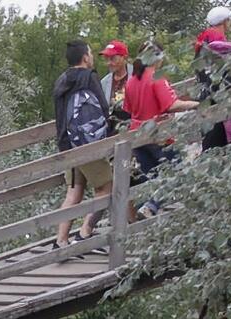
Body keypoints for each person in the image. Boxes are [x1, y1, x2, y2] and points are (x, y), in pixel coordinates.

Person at [123, 41, 200, 216]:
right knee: (176, 173)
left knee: (150, 177)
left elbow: (128, 109)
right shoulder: (157, 77)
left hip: (137, 135)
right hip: (158, 135)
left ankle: (144, 214)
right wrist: (197, 104)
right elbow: (171, 105)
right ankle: (150, 207)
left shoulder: (131, 81)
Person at [52, 40, 113, 250]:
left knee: (75, 191)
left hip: (67, 144)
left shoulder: (61, 80)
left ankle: (60, 240)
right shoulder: (89, 77)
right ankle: (85, 232)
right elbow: (103, 109)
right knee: (106, 187)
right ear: (85, 57)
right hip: (88, 143)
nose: (92, 57)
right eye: (90, 53)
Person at [195, 6, 231, 150]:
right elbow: (227, 71)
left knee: (211, 141)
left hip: (206, 96)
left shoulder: (202, 41)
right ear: (224, 22)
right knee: (218, 143)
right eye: (229, 21)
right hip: (218, 96)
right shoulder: (218, 41)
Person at [99, 40, 131, 129]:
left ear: (124, 57)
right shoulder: (104, 83)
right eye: (107, 59)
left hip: (134, 128)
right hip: (113, 131)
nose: (109, 63)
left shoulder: (137, 76)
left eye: (113, 58)